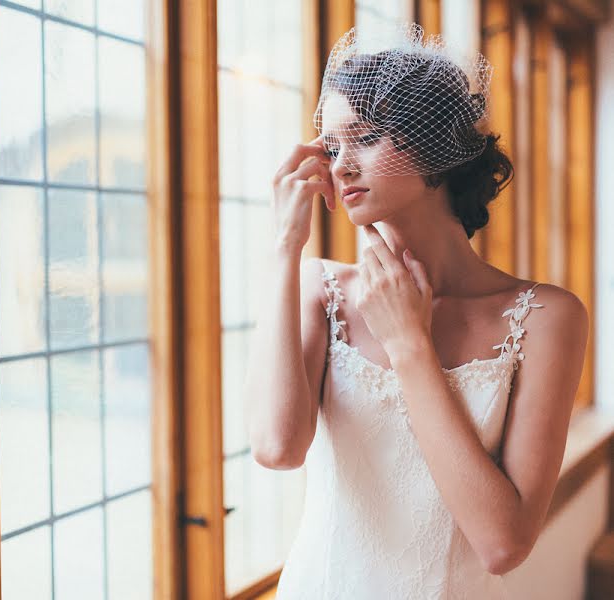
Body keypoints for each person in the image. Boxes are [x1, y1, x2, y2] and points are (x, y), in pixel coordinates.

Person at [244, 23, 589, 599]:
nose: (342, 165)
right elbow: (277, 449)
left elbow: (503, 545)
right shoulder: (318, 287)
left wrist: (409, 344)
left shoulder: (546, 316)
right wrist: (286, 247)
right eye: (332, 146)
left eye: (367, 136)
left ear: (435, 145)